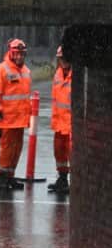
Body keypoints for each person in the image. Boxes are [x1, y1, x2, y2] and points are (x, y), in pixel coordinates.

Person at [0, 38, 32, 192]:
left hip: (19, 121)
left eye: (22, 54)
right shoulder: (1, 70)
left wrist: (29, 115)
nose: (19, 57)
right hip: (6, 121)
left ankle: (10, 176)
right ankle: (1, 177)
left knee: (16, 150)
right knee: (6, 150)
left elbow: (25, 97)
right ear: (11, 53)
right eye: (17, 53)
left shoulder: (26, 71)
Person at [48, 45, 72, 194]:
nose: (63, 61)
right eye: (61, 59)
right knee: (59, 153)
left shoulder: (77, 74)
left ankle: (75, 183)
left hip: (71, 124)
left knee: (72, 154)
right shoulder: (58, 74)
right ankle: (62, 179)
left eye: (65, 58)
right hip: (59, 124)